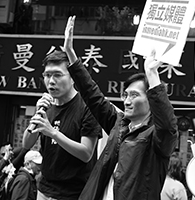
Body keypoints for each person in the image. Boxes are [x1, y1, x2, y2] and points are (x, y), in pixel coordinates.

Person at [63, 16, 179, 200]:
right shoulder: (119, 123)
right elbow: (93, 95)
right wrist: (70, 54)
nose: (127, 101)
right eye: (126, 95)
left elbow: (167, 127)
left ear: (150, 99)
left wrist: (151, 73)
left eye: (134, 95)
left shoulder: (156, 137)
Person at [22, 47, 102, 199]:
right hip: (45, 189)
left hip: (74, 193)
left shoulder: (87, 107)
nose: (51, 81)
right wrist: (37, 113)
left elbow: (86, 153)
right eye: (47, 75)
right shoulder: (46, 106)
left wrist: (52, 132)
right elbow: (26, 144)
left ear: (73, 78)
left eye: (58, 75)